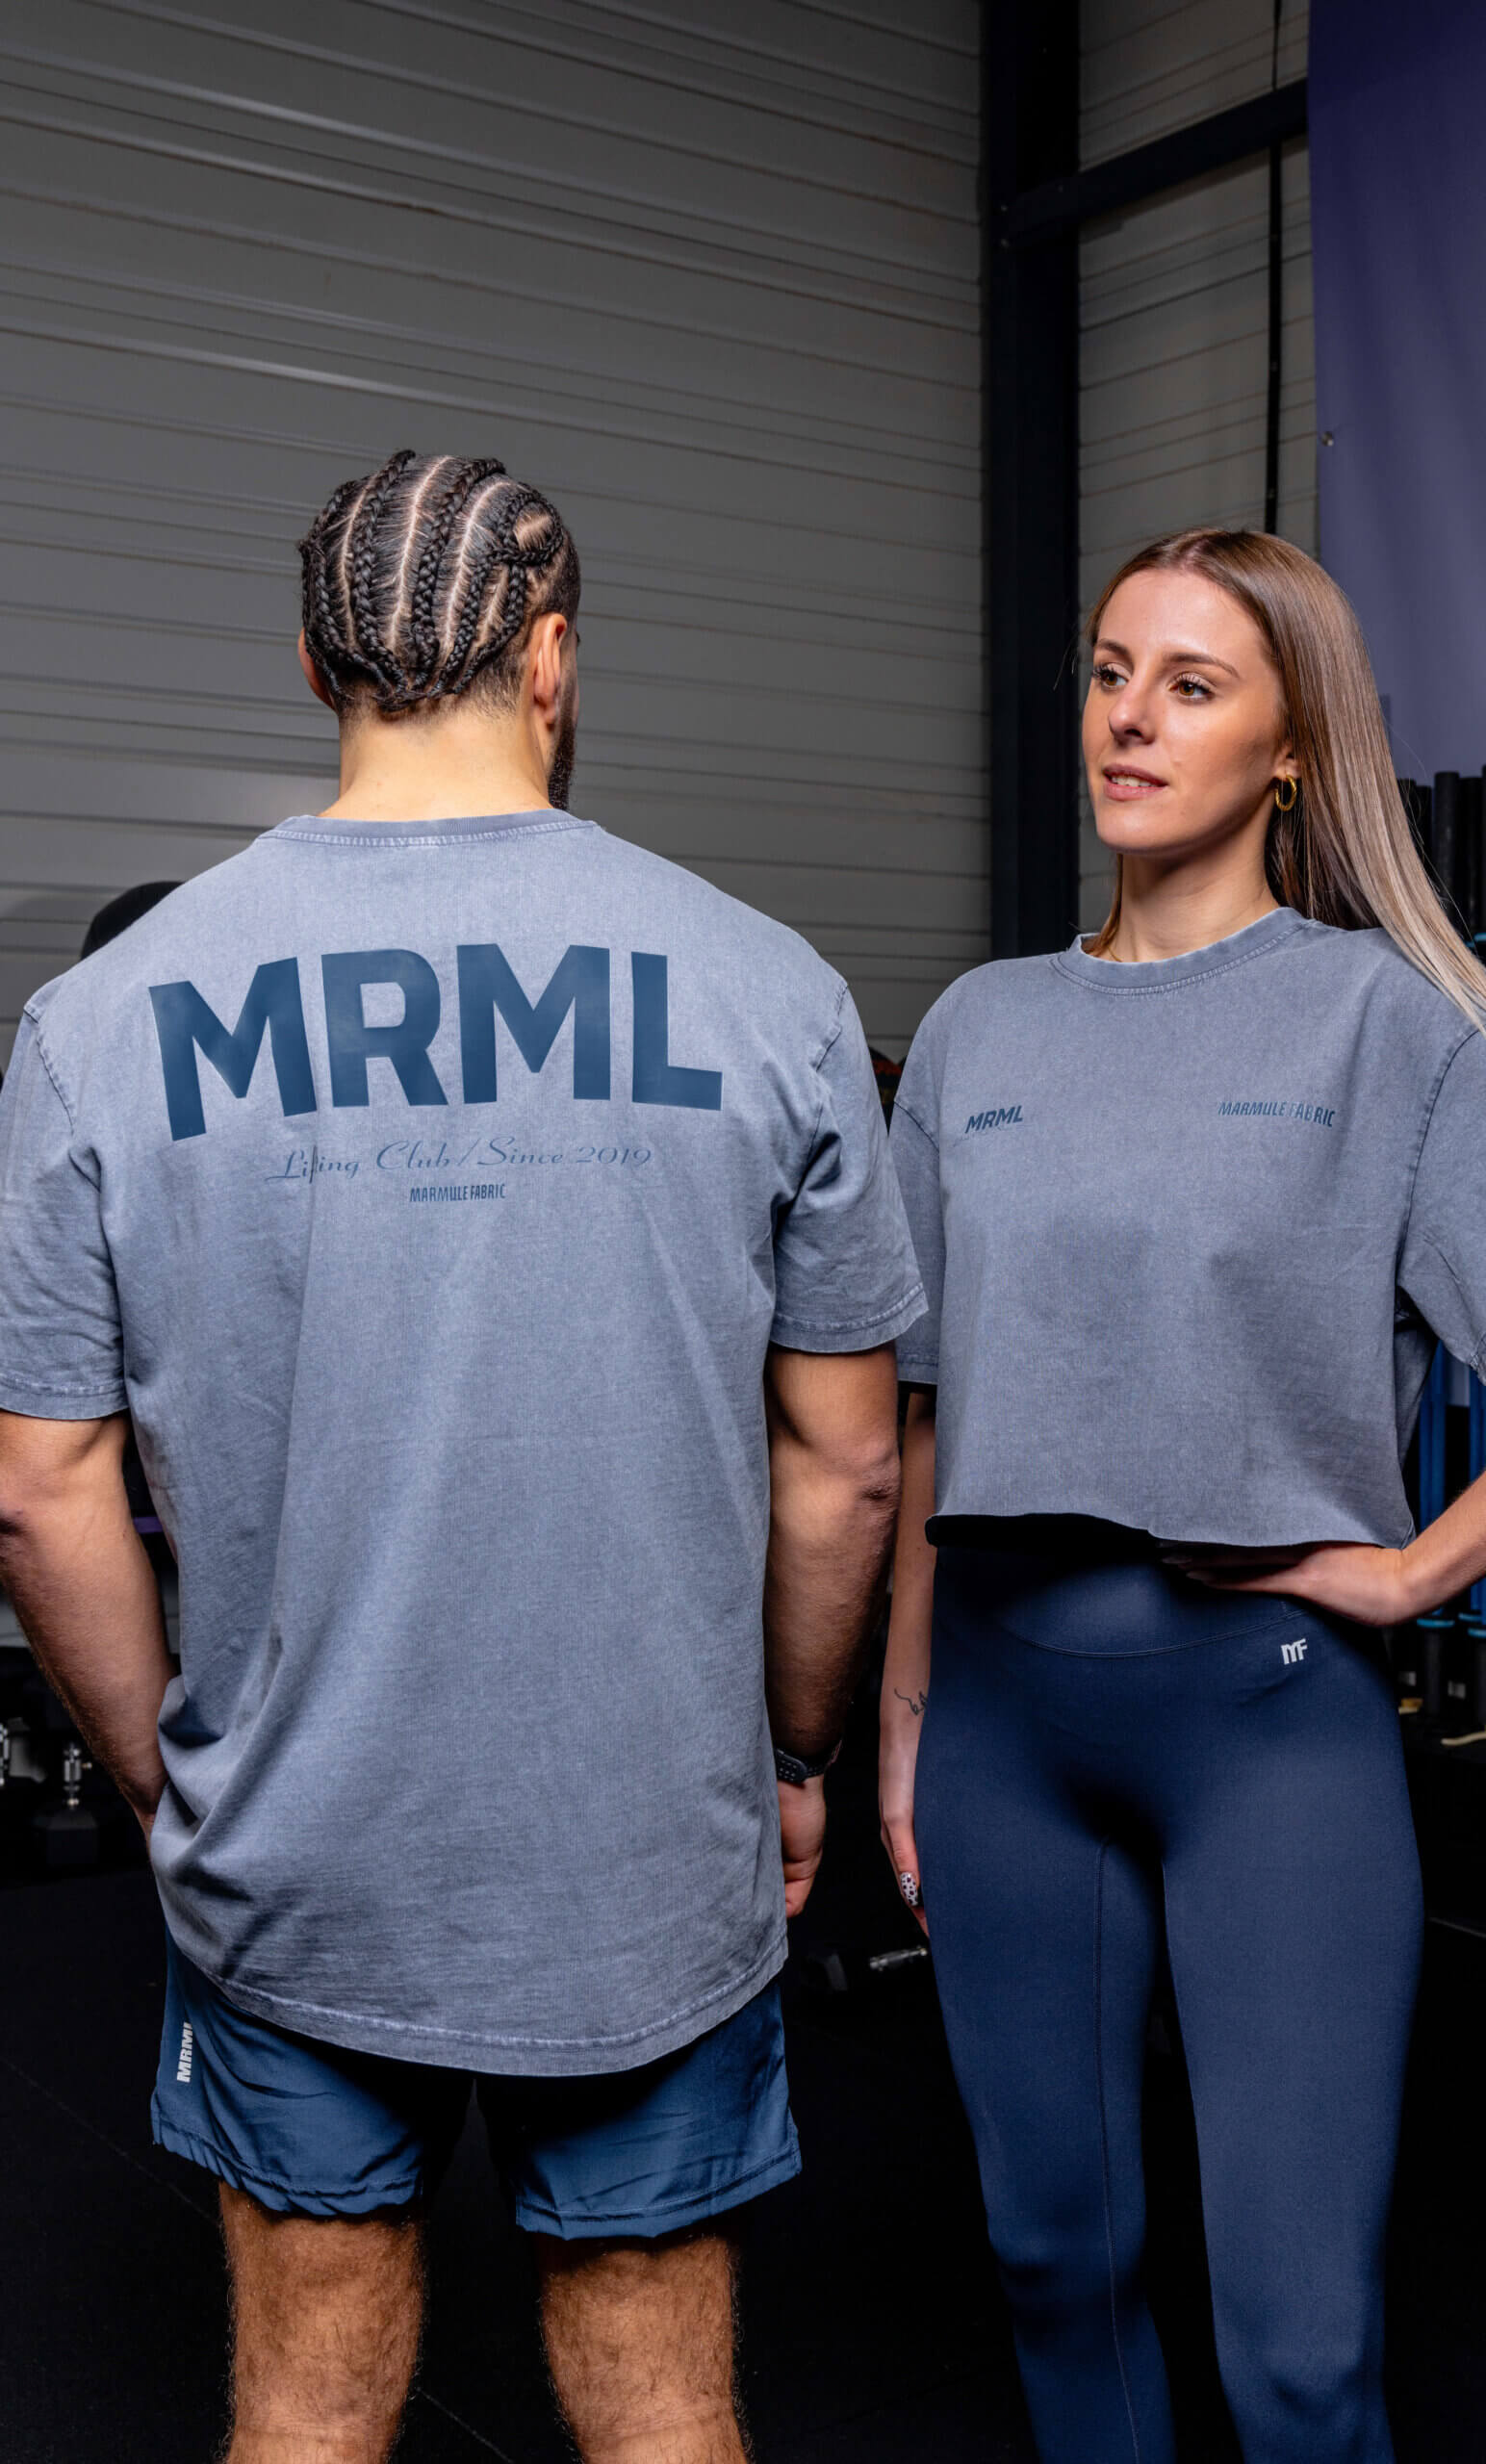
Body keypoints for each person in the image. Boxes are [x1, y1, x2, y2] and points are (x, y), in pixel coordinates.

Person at [0, 449, 924, 2464]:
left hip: (291, 1857)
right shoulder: (772, 989)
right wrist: (788, 1755)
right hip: (647, 1851)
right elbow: (850, 1468)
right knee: (664, 2411)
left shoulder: (101, 1020)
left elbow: (39, 1486)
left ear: (311, 661)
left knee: (305, 2411)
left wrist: (174, 1785)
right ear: (553, 658)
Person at [879, 526, 1486, 2464]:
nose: (1127, 718)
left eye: (1191, 684)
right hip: (996, 1727)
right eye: (1108, 670)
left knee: (1296, 2354)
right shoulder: (976, 1027)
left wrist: (1416, 1569)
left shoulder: (1388, 1019)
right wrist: (899, 1715)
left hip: (1265, 1730)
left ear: (1293, 744)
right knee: (1051, 2265)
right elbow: (920, 1415)